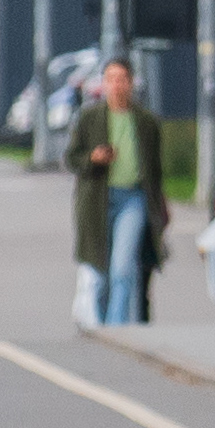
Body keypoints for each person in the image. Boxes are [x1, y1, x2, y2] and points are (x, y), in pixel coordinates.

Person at [70, 54, 161, 326]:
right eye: (111, 79)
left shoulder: (145, 121)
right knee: (99, 267)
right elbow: (72, 158)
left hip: (132, 199)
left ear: (131, 83)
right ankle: (94, 321)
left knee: (123, 267)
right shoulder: (90, 118)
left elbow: (155, 170)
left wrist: (159, 207)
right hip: (97, 199)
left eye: (122, 79)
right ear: (104, 83)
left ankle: (115, 327)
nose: (117, 85)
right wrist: (93, 158)